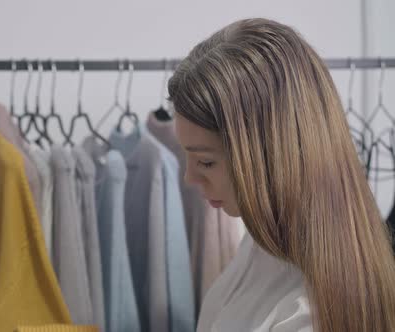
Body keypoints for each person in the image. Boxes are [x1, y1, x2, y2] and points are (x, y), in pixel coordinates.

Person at [168, 18, 395, 332]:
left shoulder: (306, 317)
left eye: (206, 163)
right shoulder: (260, 243)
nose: (189, 179)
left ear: (268, 158)